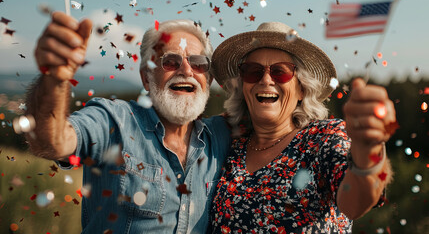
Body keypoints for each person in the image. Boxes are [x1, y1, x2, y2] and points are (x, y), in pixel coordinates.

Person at [26, 12, 231, 233]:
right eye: (171, 61)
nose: (187, 71)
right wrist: (54, 80)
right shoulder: (114, 120)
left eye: (198, 63)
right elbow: (51, 141)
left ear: (208, 80)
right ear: (146, 77)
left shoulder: (221, 136)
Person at [208, 22, 396, 233]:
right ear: (243, 86)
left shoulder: (324, 139)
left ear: (301, 90)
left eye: (280, 72)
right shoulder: (227, 143)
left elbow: (355, 203)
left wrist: (366, 149)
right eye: (253, 71)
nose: (266, 80)